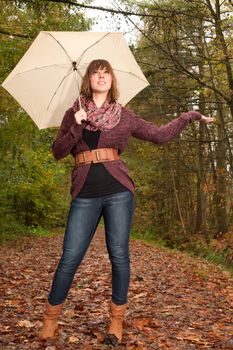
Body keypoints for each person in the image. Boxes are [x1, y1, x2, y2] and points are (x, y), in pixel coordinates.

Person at [39, 59, 214, 346]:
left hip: (118, 191)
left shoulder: (124, 116)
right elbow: (58, 152)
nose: (101, 76)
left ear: (112, 79)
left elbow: (159, 135)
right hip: (84, 193)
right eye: (96, 72)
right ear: (88, 79)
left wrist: (190, 116)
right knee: (70, 257)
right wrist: (77, 127)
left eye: (106, 72)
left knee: (118, 256)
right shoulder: (74, 114)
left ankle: (116, 322)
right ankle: (50, 319)